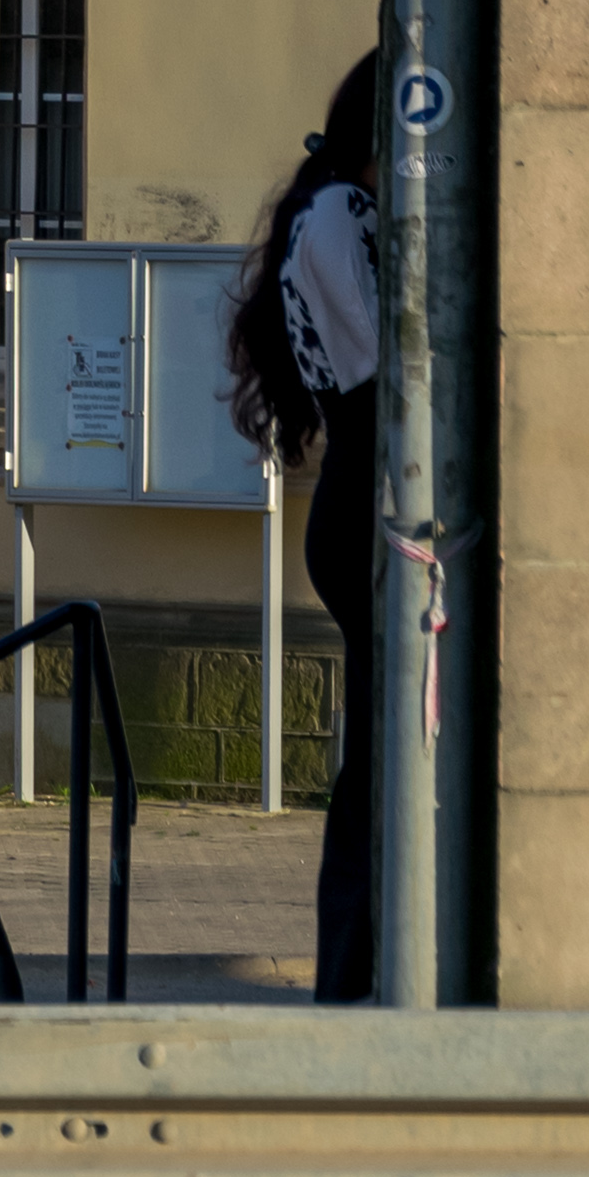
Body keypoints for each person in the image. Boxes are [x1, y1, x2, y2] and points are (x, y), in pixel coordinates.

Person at [224, 53, 383, 1001]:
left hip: (364, 500)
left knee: (379, 755)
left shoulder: (340, 210)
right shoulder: (334, 216)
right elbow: (377, 368)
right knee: (372, 764)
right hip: (365, 501)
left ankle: (356, 970)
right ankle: (348, 975)